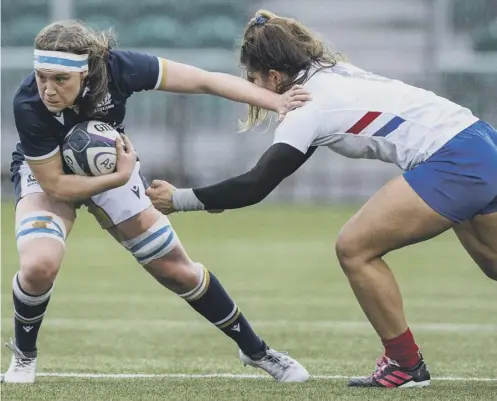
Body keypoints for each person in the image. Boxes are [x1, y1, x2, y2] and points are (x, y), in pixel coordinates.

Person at [147, 10, 497, 389]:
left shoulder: (308, 107)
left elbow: (258, 184)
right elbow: (275, 170)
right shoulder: (328, 72)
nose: (250, 86)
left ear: (275, 78)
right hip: (480, 140)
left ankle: (405, 365)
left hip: (453, 159)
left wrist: (179, 199)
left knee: (354, 247)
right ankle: (405, 365)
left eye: (253, 78)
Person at [4, 19, 312, 384]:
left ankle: (256, 349)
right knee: (39, 264)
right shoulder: (28, 102)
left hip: (111, 161)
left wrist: (275, 100)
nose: (48, 89)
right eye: (42, 76)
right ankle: (24, 356)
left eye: (60, 79)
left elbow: (203, 80)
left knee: (178, 270)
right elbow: (54, 184)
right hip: (53, 172)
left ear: (85, 72)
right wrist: (121, 176)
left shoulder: (119, 68)